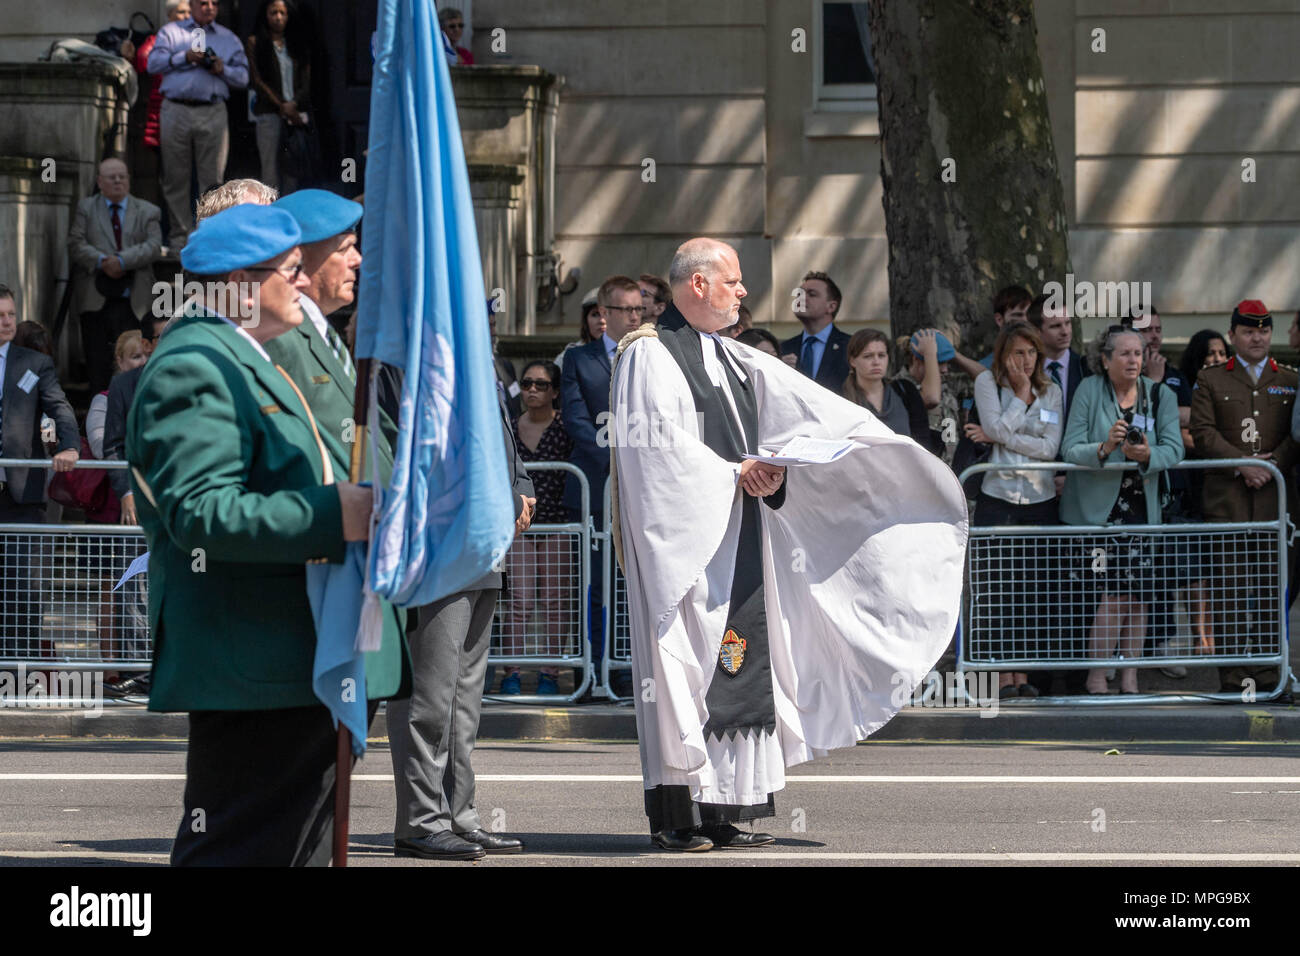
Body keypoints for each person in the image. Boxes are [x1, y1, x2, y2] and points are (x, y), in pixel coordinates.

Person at [611, 238, 966, 851]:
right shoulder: (650, 355)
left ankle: (725, 811)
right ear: (697, 285)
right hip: (690, 549)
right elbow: (654, 455)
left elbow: (807, 415)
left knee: (745, 664)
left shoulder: (731, 357)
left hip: (742, 537)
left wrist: (781, 469)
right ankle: (678, 815)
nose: (744, 292)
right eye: (734, 281)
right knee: (693, 665)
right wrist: (733, 475)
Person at [127, 205, 403, 866]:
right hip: (252, 661)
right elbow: (201, 512)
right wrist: (332, 514)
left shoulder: (244, 352)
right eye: (289, 272)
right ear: (242, 285)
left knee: (292, 849)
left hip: (292, 652)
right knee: (241, 850)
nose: (304, 283)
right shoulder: (195, 362)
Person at [389, 386, 535, 861]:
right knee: (428, 697)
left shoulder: (477, 356)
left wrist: (521, 489)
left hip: (483, 544)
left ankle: (458, 816)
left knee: (464, 700)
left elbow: (504, 443)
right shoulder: (425, 346)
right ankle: (421, 821)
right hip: (440, 541)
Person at [1059, 328, 1183, 695]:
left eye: (1138, 353)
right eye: (1125, 354)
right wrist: (1103, 446)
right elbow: (1069, 448)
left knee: (1139, 596)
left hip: (1143, 509)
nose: (1133, 360)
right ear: (1105, 359)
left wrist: (1149, 455)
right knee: (1113, 595)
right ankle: (1097, 675)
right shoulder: (1089, 390)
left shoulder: (1161, 395)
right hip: (1099, 512)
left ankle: (1130, 675)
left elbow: (1175, 449)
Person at [1192, 301, 1298, 694]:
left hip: (1275, 503)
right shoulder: (1211, 379)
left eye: (1265, 330)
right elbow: (1203, 433)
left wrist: (1273, 464)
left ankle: (1270, 676)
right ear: (1233, 334)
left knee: (1274, 590)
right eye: (1249, 331)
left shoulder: (1289, 378)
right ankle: (1234, 678)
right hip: (1228, 503)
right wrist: (1242, 464)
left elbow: (1296, 435)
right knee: (1230, 593)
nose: (1258, 337)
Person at [963, 321, 1063, 699]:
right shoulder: (988, 383)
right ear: (1003, 354)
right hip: (998, 495)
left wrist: (1005, 433)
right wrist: (1020, 399)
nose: (1025, 360)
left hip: (1039, 499)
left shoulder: (1051, 390)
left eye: (1032, 352)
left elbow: (1049, 448)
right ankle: (999, 673)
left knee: (1031, 590)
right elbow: (992, 426)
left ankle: (1024, 673)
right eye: (1018, 352)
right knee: (997, 589)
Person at [560, 274, 644, 695]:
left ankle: (626, 668)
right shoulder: (579, 359)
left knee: (630, 583)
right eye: (626, 310)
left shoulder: (652, 355)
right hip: (594, 487)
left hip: (640, 491)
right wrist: (618, 459)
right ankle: (590, 669)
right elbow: (576, 420)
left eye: (638, 309)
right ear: (604, 314)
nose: (634, 317)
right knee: (591, 584)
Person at [0, 285, 80, 662]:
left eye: (11, 315)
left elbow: (60, 407)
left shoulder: (33, 363)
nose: (7, 322)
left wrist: (69, 446)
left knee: (23, 586)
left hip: (22, 492)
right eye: (0, 316)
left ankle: (20, 667)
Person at [147, 0, 250, 250]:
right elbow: (152, 64)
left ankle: (209, 238)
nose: (209, 7)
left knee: (212, 180)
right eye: (203, 3)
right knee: (175, 178)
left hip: (212, 110)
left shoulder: (228, 38)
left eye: (215, 3)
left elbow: (244, 77)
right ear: (191, 5)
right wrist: (185, 56)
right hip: (176, 108)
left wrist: (222, 68)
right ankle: (179, 239)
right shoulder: (171, 33)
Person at [501, 360, 574, 696]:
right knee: (519, 600)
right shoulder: (511, 427)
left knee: (556, 601)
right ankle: (510, 672)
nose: (532, 389)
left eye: (541, 385)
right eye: (527, 383)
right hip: (520, 525)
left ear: (554, 391)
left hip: (559, 524)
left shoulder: (566, 427)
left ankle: (550, 673)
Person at [67, 158, 162, 394]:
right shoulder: (86, 208)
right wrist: (102, 261)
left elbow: (153, 246)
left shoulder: (148, 211)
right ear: (100, 182)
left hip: (134, 302)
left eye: (123, 176)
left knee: (135, 365)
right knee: (98, 367)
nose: (118, 180)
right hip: (96, 301)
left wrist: (121, 260)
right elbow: (75, 243)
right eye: (112, 177)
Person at [246, 0, 312, 194]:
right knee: (270, 171)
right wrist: (282, 106)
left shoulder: (298, 43)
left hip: (295, 114)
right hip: (270, 113)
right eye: (273, 12)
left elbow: (306, 80)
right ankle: (272, 218)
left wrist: (294, 104)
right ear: (265, 15)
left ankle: (290, 216)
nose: (278, 17)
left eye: (283, 13)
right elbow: (257, 80)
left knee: (292, 170)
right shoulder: (256, 42)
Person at [842, 328, 931, 448]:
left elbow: (922, 440)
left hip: (906, 464)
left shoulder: (905, 390)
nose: (876, 362)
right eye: (868, 356)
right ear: (852, 361)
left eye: (881, 355)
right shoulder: (842, 399)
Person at [897, 328, 961, 465]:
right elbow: (931, 398)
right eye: (939, 363)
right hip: (925, 468)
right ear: (916, 359)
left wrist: (952, 353)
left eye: (946, 363)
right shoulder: (900, 387)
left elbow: (984, 376)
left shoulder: (946, 382)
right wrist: (930, 354)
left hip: (953, 467)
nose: (945, 369)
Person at [780, 270, 851, 392]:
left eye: (812, 294)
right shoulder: (783, 349)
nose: (801, 298)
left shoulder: (851, 347)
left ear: (831, 306)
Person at [978, 285, 1033, 369]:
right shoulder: (984, 369)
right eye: (1018, 315)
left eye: (1029, 315)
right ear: (999, 320)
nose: (1026, 321)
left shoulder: (1042, 364)